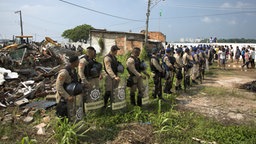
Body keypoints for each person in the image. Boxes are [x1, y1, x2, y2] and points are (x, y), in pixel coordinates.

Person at [78, 46, 103, 111]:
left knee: (95, 94)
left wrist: (100, 74)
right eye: (93, 52)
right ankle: (87, 111)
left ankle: (95, 109)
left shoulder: (92, 60)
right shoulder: (83, 60)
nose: (94, 53)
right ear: (90, 52)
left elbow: (96, 68)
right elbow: (80, 72)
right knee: (88, 97)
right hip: (88, 80)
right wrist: (85, 81)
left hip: (95, 80)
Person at [55, 56, 80, 120]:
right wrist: (67, 96)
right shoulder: (64, 73)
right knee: (63, 115)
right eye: (78, 61)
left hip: (71, 96)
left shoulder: (73, 70)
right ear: (74, 62)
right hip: (64, 98)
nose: (79, 62)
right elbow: (58, 86)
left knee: (71, 114)